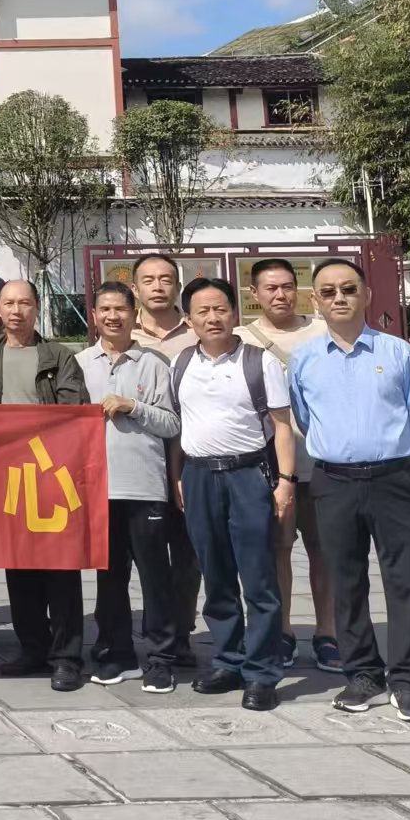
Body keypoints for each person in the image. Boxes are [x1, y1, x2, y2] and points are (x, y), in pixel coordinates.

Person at [290, 258, 410, 722]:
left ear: (366, 295)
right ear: (316, 301)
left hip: (396, 479)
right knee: (345, 581)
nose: (339, 298)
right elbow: (304, 418)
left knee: (408, 581)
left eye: (349, 289)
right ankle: (364, 674)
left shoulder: (398, 353)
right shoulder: (304, 360)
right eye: (328, 291)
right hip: (335, 481)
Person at [170, 276, 294, 712]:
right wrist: (178, 476)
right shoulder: (181, 363)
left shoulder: (260, 362)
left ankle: (262, 673)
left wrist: (285, 482)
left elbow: (282, 426)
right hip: (200, 476)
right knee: (216, 576)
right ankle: (229, 662)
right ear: (189, 319)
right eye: (202, 311)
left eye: (220, 309)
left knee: (259, 579)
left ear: (235, 313)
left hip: (248, 475)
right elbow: (180, 426)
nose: (213, 318)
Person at [0, 280, 90, 692]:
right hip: (7, 475)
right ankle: (32, 648)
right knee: (19, 566)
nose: (16, 310)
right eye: (8, 303)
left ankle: (66, 657)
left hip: (50, 472)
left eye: (24, 303)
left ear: (37, 308)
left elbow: (73, 408)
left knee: (60, 569)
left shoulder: (58, 355)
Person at [76, 282, 181, 694]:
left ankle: (161, 658)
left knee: (155, 578)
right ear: (94, 315)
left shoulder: (153, 363)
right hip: (97, 489)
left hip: (144, 487)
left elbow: (171, 424)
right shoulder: (80, 363)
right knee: (109, 578)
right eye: (104, 309)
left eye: (120, 308)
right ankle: (116, 653)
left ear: (134, 314)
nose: (112, 316)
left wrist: (132, 406)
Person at [240, 258, 335, 673]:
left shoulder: (323, 330)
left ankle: (328, 632)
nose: (280, 295)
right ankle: (282, 631)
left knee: (323, 550)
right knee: (277, 549)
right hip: (269, 466)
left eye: (287, 286)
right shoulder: (241, 338)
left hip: (323, 461)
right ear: (254, 294)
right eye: (270, 288)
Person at [128, 253, 202, 666]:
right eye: (148, 279)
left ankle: (182, 633)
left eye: (166, 279)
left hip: (190, 459)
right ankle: (154, 630)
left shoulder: (195, 333)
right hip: (140, 464)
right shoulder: (123, 332)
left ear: (177, 285)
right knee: (145, 557)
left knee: (188, 556)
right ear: (135, 288)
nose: (158, 286)